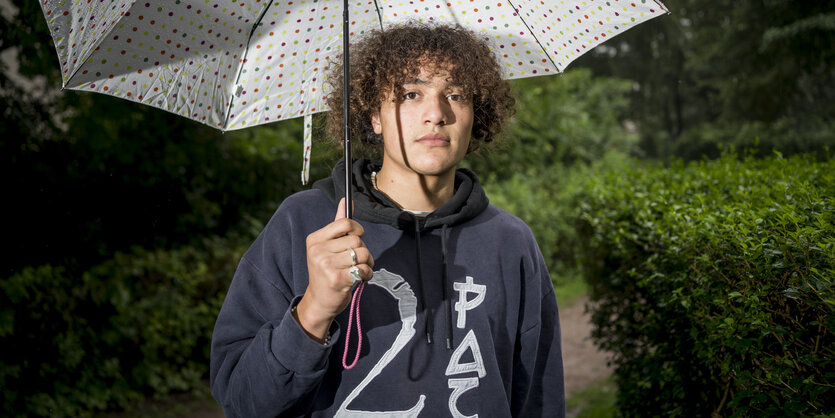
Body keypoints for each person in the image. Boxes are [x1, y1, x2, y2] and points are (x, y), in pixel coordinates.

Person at [210, 24, 565, 417]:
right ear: (374, 115)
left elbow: (539, 399)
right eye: (411, 94)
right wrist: (312, 311)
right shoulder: (305, 223)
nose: (437, 114)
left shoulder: (510, 242)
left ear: (474, 115)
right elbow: (242, 402)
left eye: (456, 94)